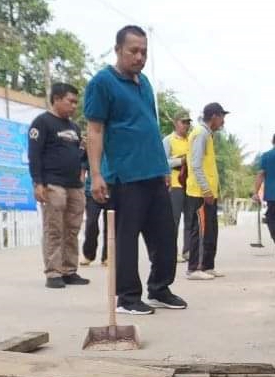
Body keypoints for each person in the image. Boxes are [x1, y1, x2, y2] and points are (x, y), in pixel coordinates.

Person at [84, 24, 186, 315]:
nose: (139, 57)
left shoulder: (145, 83)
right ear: (117, 50)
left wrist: (163, 168)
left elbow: (150, 127)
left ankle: (160, 288)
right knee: (125, 241)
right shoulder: (102, 83)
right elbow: (95, 130)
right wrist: (96, 175)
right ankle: (128, 297)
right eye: (133, 51)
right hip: (124, 176)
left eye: (144, 51)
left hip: (154, 173)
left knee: (165, 237)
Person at [29, 82, 90, 289]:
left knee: (72, 229)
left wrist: (82, 173)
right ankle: (53, 272)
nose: (74, 106)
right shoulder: (42, 122)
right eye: (70, 101)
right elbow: (34, 155)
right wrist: (38, 183)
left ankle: (69, 270)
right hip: (53, 184)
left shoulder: (74, 127)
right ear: (56, 99)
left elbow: (80, 154)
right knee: (54, 228)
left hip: (75, 185)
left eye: (76, 102)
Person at [184, 102, 229, 281]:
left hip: (208, 192)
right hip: (199, 193)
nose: (223, 121)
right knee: (200, 230)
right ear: (215, 116)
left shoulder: (207, 135)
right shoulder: (200, 134)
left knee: (210, 230)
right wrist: (206, 189)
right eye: (222, 117)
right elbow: (195, 164)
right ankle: (194, 267)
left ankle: (208, 265)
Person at [162, 111, 193, 259]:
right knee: (174, 219)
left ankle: (188, 250)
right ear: (176, 122)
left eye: (188, 122)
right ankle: (171, 251)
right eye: (183, 122)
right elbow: (163, 161)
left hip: (191, 184)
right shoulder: (168, 140)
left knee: (190, 219)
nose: (186, 125)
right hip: (175, 184)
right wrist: (180, 161)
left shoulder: (191, 140)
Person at [80, 136, 107, 266]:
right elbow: (83, 169)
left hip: (111, 188)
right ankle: (88, 254)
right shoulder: (90, 147)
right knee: (91, 223)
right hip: (92, 190)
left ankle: (107, 256)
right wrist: (81, 187)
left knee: (111, 225)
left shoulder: (113, 145)